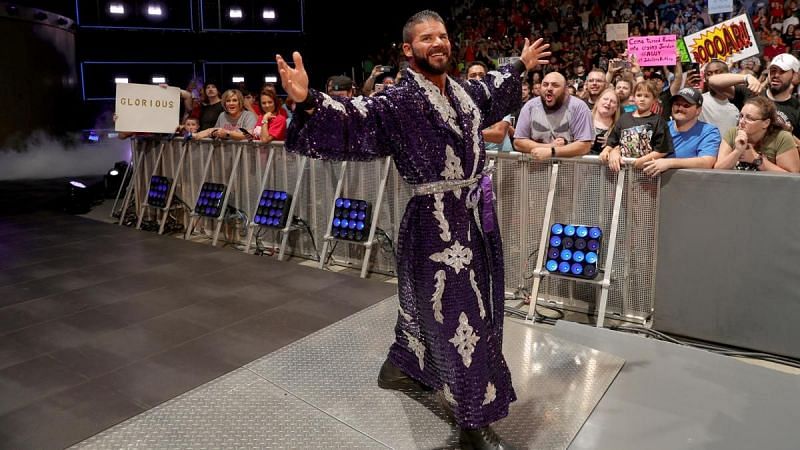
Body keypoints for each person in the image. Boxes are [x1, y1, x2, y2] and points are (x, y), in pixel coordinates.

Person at [276, 10, 549, 449]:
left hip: (471, 217)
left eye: (442, 36)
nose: (438, 43)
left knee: (431, 310)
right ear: (408, 49)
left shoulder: (461, 92)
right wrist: (308, 102)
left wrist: (519, 64)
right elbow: (352, 120)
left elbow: (493, 89)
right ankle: (472, 416)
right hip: (434, 227)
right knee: (462, 320)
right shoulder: (397, 102)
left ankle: (403, 364)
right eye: (426, 38)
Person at [513, 71, 594, 159]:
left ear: (565, 90)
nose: (549, 88)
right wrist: (550, 147)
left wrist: (553, 152)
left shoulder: (579, 107)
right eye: (545, 85)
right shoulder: (530, 106)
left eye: (555, 85)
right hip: (537, 168)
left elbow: (584, 145)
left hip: (570, 169)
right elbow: (518, 142)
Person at [642, 87, 720, 177]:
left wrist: (669, 163)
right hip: (653, 185)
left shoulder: (708, 131)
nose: (680, 108)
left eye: (686, 105)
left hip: (688, 186)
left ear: (698, 110)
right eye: (677, 104)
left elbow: (707, 162)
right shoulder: (661, 127)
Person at [600, 80, 674, 172]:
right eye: (639, 95)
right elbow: (612, 141)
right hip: (622, 170)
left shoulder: (658, 121)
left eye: (647, 96)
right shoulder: (624, 118)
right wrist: (606, 150)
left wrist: (643, 160)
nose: (642, 99)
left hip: (646, 171)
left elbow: (663, 150)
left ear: (654, 100)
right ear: (633, 97)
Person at [714, 96, 800, 172]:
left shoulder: (782, 138)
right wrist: (737, 151)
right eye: (741, 116)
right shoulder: (733, 133)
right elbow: (718, 170)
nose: (741, 122)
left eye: (749, 118)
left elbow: (791, 177)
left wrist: (756, 159)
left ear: (765, 123)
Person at [193, 89, 257, 140]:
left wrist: (227, 133)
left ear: (240, 102)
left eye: (234, 100)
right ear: (225, 103)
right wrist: (212, 133)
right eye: (228, 101)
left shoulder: (249, 116)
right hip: (225, 154)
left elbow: (249, 135)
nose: (231, 103)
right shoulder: (222, 115)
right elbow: (216, 131)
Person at [590, 88, 620, 155]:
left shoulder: (619, 126)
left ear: (616, 107)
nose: (608, 103)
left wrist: (611, 144)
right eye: (605, 99)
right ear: (598, 101)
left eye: (613, 102)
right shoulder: (584, 118)